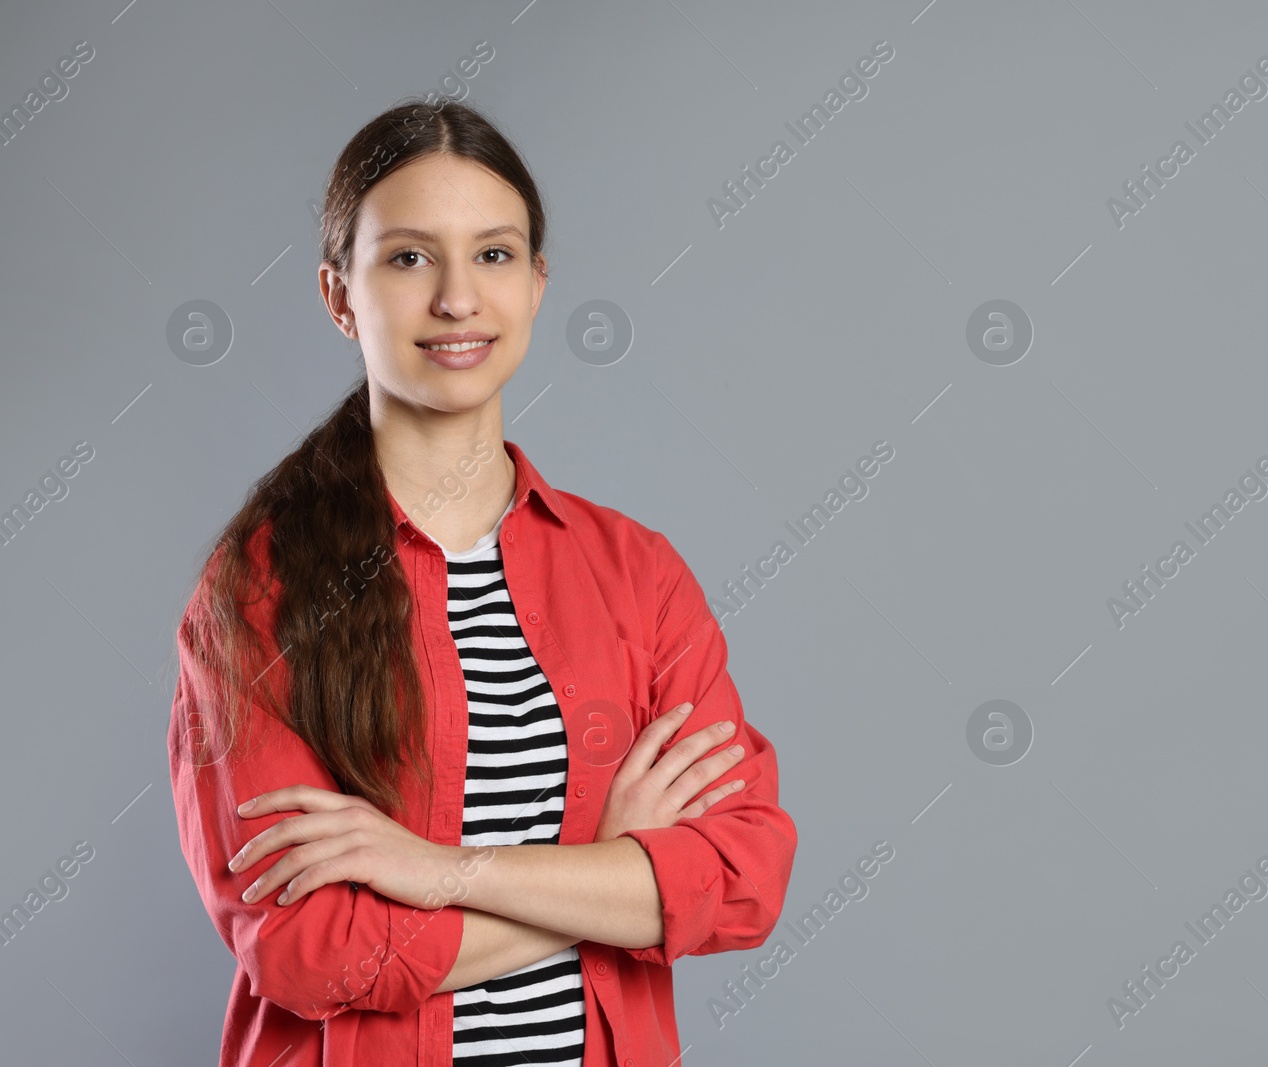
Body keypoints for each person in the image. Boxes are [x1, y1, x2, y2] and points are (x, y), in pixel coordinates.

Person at [166, 97, 797, 1067]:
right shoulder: (260, 589)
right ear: (339, 296)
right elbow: (307, 952)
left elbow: (742, 874)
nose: (458, 298)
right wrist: (605, 878)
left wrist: (439, 870)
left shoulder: (637, 574)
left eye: (494, 254)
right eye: (410, 257)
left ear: (538, 283)